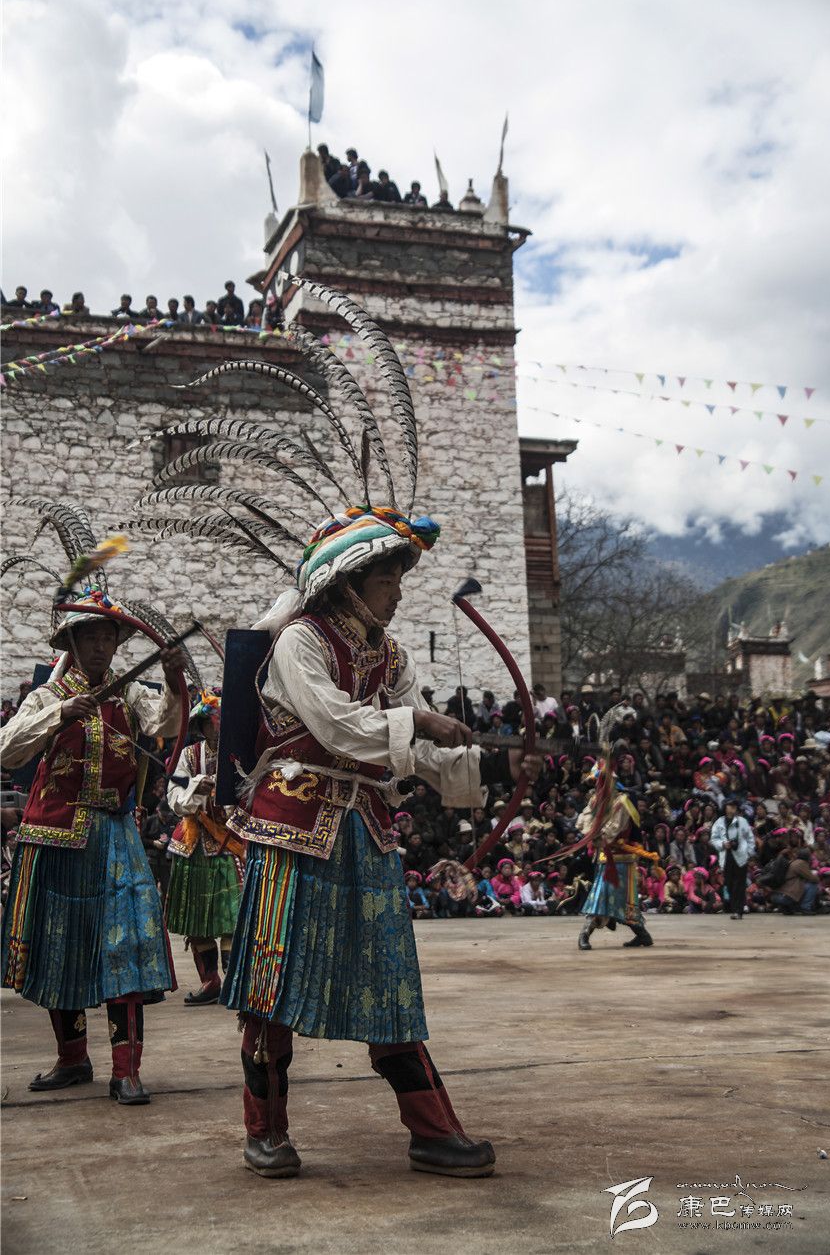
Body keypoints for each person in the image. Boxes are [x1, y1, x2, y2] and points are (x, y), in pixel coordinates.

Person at [192, 283, 541, 1181]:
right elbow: (341, 728)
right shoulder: (300, 642)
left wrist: (476, 767)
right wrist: (415, 720)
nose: (396, 588)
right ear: (349, 579)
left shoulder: (390, 655)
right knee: (270, 986)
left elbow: (407, 751)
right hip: (290, 831)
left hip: (365, 833)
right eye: (387, 575)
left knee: (393, 987)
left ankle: (431, 1130)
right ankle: (265, 1128)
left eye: (398, 575)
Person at [0, 588, 184, 1104]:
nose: (101, 647)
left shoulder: (130, 694)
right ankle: (72, 1058)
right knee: (59, 947)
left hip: (116, 836)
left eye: (108, 638)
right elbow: (7, 749)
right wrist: (60, 713)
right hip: (57, 836)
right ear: (73, 644)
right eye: (92, 638)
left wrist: (173, 680)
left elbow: (166, 724)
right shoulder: (47, 696)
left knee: (127, 948)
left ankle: (127, 1070)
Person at [165, 691, 243, 1005]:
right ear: (201, 725)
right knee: (195, 919)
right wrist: (198, 787)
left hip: (230, 844)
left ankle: (233, 981)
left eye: (222, 722)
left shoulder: (239, 756)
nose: (217, 728)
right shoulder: (188, 756)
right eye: (212, 723)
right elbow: (176, 797)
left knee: (232, 918)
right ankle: (210, 982)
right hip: (194, 844)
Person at [577, 753, 658, 951]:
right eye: (597, 782)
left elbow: (613, 829)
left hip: (621, 858)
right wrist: (591, 832)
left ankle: (587, 933)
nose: (599, 785)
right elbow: (583, 820)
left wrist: (596, 834)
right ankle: (641, 934)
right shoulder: (596, 800)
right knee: (604, 895)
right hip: (605, 857)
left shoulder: (622, 802)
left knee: (617, 898)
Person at [710, 798, 755, 919]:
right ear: (725, 808)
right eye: (729, 806)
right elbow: (714, 839)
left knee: (739, 884)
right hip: (726, 856)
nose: (731, 809)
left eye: (734, 807)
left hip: (741, 856)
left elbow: (750, 838)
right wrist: (723, 844)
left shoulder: (742, 821)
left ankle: (738, 910)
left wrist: (749, 853)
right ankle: (735, 907)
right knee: (729, 884)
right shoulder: (719, 822)